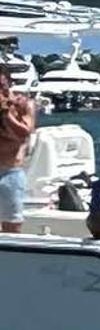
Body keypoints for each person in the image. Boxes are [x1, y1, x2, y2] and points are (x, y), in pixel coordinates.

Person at [0, 66, 35, 234]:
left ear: (9, 83)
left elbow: (25, 132)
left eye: (1, 86)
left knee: (12, 225)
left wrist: (6, 114)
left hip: (10, 171)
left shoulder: (24, 105)